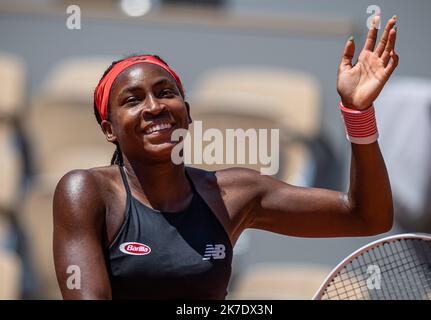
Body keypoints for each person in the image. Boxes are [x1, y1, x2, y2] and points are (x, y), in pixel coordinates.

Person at [53, 15, 399, 299]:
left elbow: (367, 217)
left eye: (165, 93)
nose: (154, 107)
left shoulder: (236, 193)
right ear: (109, 129)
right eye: (132, 100)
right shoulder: (84, 192)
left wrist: (358, 112)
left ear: (186, 114)